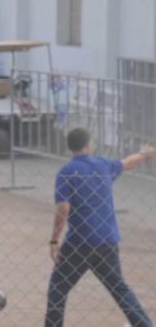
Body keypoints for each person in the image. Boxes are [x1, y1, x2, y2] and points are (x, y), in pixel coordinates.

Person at [45, 127, 154, 327]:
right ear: (88, 145)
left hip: (78, 243)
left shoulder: (66, 171)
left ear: (71, 147)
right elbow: (126, 163)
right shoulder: (102, 165)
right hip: (107, 240)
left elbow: (63, 208)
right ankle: (144, 325)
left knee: (58, 288)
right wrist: (144, 154)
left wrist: (54, 240)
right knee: (119, 288)